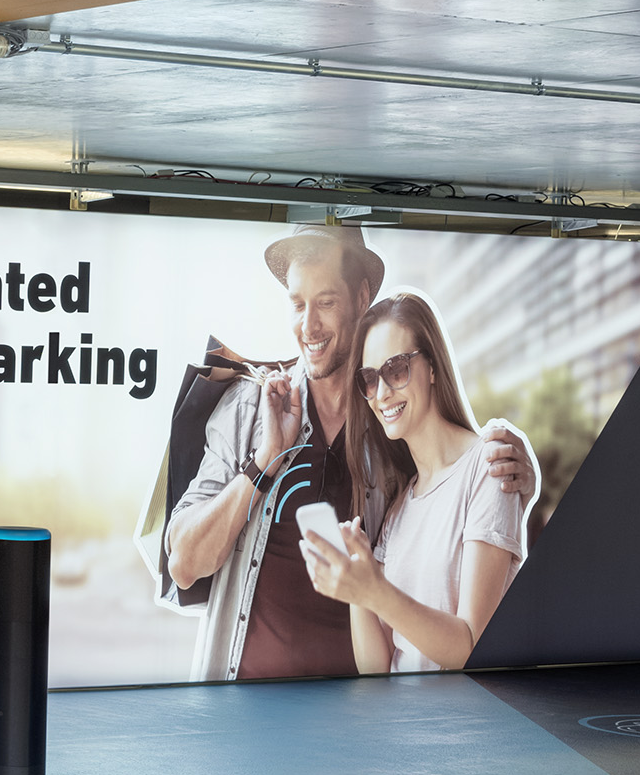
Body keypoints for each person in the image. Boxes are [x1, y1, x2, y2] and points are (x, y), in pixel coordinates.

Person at [161, 221, 533, 682]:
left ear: (361, 298)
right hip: (244, 714)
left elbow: (451, 477)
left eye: (326, 302)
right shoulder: (248, 409)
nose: (309, 324)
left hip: (359, 727)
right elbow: (183, 564)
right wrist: (263, 463)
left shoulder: (392, 424)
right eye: (298, 304)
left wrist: (516, 477)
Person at [302, 294, 532, 673]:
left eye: (396, 370)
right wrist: (358, 590)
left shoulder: (489, 467)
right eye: (369, 379)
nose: (382, 394)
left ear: (432, 368)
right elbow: (375, 669)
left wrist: (376, 590)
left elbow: (470, 647)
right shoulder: (399, 507)